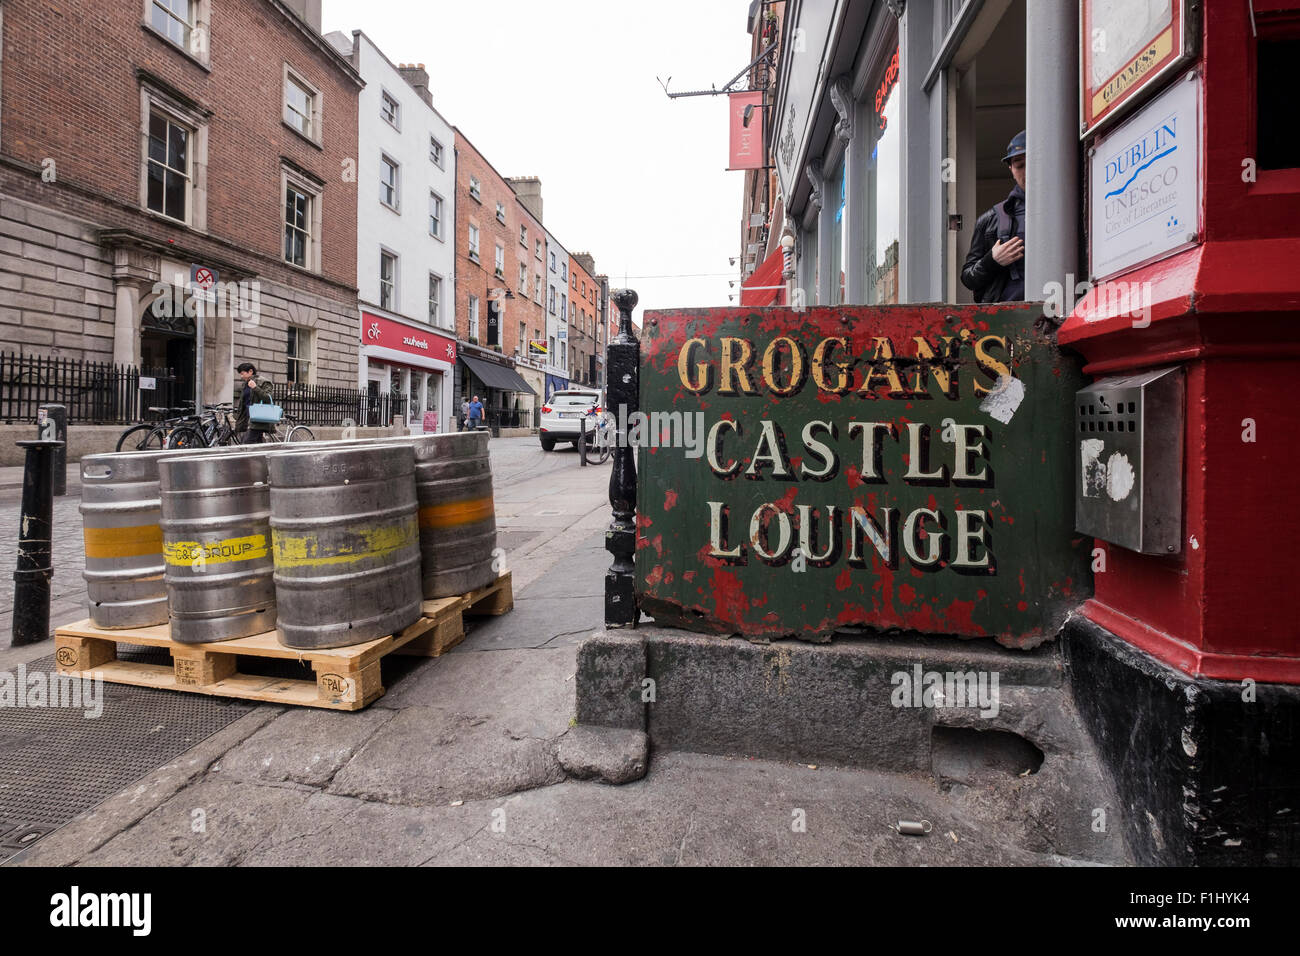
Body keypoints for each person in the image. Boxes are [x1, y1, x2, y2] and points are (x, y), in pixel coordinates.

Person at [961, 130, 1027, 304]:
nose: (1027, 171)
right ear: (1011, 169)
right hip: (1008, 321)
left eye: (1032, 162)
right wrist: (992, 261)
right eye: (1020, 165)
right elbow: (968, 277)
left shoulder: (1071, 206)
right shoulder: (991, 219)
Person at [234, 362, 273, 444]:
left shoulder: (263, 382)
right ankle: (263, 456)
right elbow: (244, 402)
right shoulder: (245, 384)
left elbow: (268, 398)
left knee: (246, 443)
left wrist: (255, 387)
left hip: (258, 417)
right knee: (258, 442)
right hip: (248, 417)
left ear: (250, 371)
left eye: (242, 373)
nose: (241, 376)